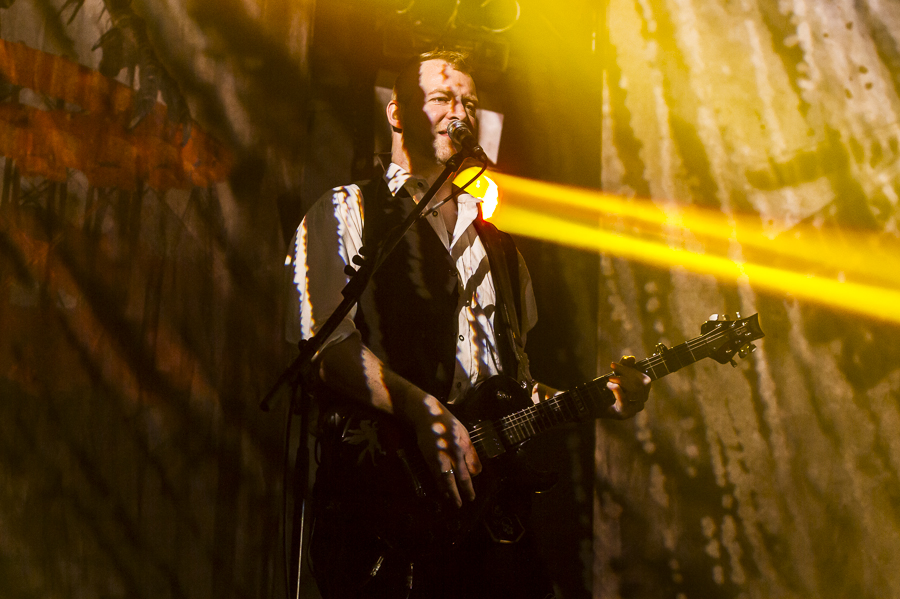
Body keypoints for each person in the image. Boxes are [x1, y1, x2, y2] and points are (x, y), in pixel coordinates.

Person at [286, 49, 651, 599]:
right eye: (441, 98)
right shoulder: (346, 211)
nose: (459, 113)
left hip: (485, 518)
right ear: (397, 113)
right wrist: (422, 409)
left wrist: (599, 399)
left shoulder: (502, 252)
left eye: (470, 104)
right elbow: (325, 345)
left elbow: (513, 384)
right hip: (383, 504)